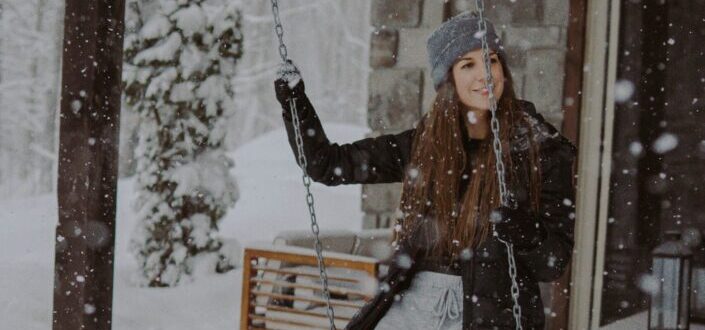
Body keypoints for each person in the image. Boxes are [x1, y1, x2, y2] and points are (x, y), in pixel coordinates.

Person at [274, 11, 577, 330]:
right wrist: (296, 105)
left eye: (491, 60)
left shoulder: (541, 151)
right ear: (447, 79)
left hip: (485, 317)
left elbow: (553, 263)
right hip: (413, 307)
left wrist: (529, 236)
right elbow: (328, 165)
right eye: (467, 65)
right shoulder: (427, 144)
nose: (484, 75)